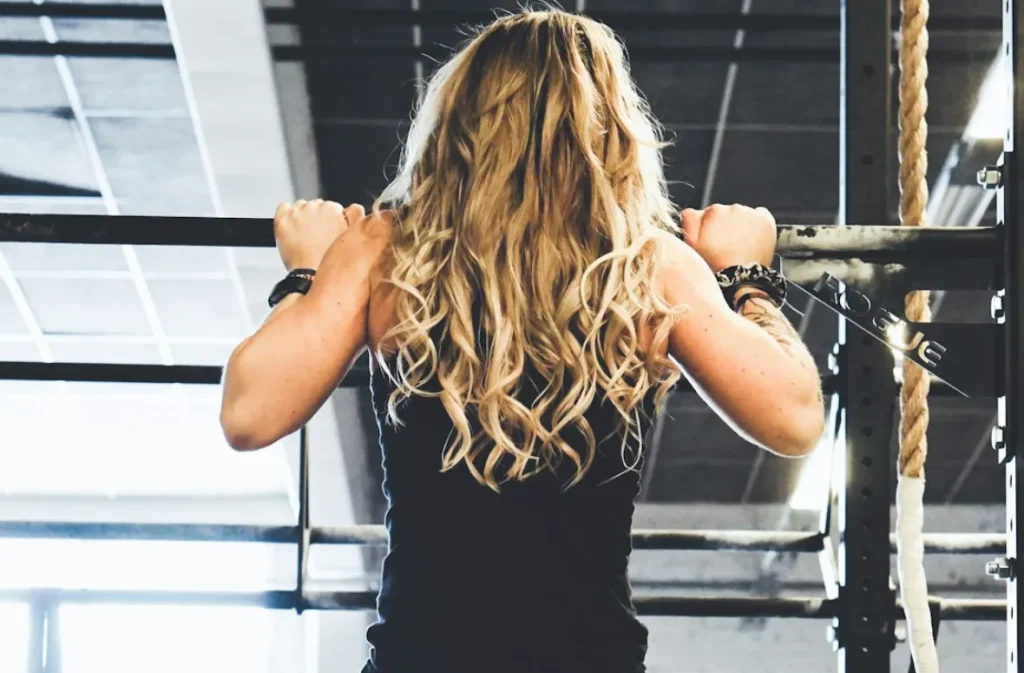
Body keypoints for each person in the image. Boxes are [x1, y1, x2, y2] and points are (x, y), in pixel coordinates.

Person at [220, 9, 825, 673]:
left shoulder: (386, 254)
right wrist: (746, 279)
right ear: (611, 131)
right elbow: (795, 417)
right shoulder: (649, 268)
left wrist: (308, 276)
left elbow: (249, 413)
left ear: (456, 122)